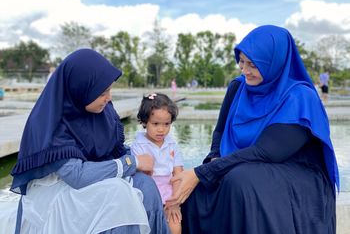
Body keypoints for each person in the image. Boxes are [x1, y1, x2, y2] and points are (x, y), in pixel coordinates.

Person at [166, 25, 339, 233]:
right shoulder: (238, 88)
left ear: (274, 63)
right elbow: (220, 132)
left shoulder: (299, 97)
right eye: (241, 61)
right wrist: (214, 157)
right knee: (197, 189)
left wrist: (203, 172)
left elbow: (266, 152)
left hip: (295, 172)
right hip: (242, 163)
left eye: (253, 65)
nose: (245, 70)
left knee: (239, 181)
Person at [8, 49, 170, 234]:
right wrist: (132, 162)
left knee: (146, 186)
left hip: (94, 174)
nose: (108, 98)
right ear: (81, 88)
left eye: (109, 90)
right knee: (118, 195)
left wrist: (134, 160)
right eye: (102, 92)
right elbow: (76, 176)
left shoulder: (103, 111)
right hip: (57, 189)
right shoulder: (51, 122)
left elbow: (114, 149)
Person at [130, 93, 184, 234]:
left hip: (170, 194)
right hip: (148, 194)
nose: (161, 129)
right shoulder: (138, 146)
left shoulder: (172, 144)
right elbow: (139, 177)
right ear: (144, 122)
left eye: (166, 124)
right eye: (155, 124)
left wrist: (175, 202)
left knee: (175, 226)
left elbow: (178, 174)